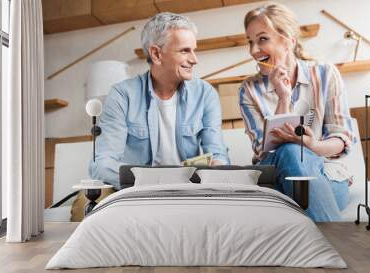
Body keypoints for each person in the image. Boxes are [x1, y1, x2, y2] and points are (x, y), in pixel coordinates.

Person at [239, 2, 355, 221]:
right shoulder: (249, 90)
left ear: (289, 41)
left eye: (262, 39)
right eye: (250, 42)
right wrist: (283, 97)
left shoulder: (325, 73)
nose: (253, 51)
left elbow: (342, 138)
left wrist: (312, 146)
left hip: (324, 172)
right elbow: (264, 150)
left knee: (301, 159)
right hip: (275, 175)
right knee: (291, 150)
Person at [89, 12, 229, 188]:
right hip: (139, 191)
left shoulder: (205, 94)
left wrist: (218, 166)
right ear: (156, 54)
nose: (195, 60)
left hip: (189, 190)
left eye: (194, 50)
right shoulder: (122, 95)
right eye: (185, 50)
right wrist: (152, 181)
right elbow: (101, 164)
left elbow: (217, 154)